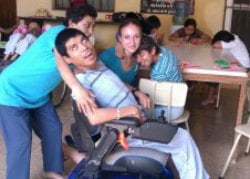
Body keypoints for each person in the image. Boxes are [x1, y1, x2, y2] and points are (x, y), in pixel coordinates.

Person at [55, 28, 209, 179]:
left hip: (135, 120)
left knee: (177, 136)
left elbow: (118, 82)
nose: (84, 48)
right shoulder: (81, 85)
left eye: (84, 41)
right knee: (182, 138)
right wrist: (129, 110)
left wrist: (136, 92)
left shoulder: (97, 65)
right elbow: (93, 117)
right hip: (125, 132)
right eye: (75, 48)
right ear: (67, 59)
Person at [0, 4, 97, 179]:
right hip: (11, 93)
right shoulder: (58, 34)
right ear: (72, 23)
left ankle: (53, 172)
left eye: (92, 26)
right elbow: (60, 62)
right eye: (87, 25)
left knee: (52, 129)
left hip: (39, 97)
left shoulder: (76, 46)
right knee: (20, 142)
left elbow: (85, 67)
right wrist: (77, 88)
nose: (90, 31)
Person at [99, 18, 151, 109]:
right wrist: (136, 92)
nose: (132, 42)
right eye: (127, 37)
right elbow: (109, 82)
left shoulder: (138, 57)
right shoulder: (107, 57)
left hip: (126, 97)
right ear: (120, 38)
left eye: (136, 36)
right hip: (107, 104)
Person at [135, 34, 183, 120]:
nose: (138, 60)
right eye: (136, 56)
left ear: (153, 50)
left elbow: (152, 100)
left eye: (142, 55)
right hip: (178, 102)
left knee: (134, 113)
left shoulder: (159, 73)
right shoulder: (163, 51)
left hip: (170, 109)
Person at [202, 30, 250, 105]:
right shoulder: (234, 37)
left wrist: (210, 40)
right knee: (218, 67)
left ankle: (210, 97)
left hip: (242, 68)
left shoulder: (230, 43)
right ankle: (215, 94)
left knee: (215, 73)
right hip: (241, 64)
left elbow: (215, 45)